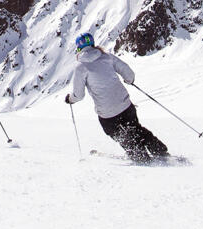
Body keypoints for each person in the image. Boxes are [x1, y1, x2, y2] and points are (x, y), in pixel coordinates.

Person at [64, 32, 171, 163]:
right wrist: (129, 80)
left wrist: (70, 99)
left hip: (107, 113)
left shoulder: (81, 67)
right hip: (125, 104)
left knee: (120, 135)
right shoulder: (107, 57)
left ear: (79, 48)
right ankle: (160, 150)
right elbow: (128, 72)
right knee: (136, 128)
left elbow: (79, 95)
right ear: (92, 44)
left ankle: (140, 156)